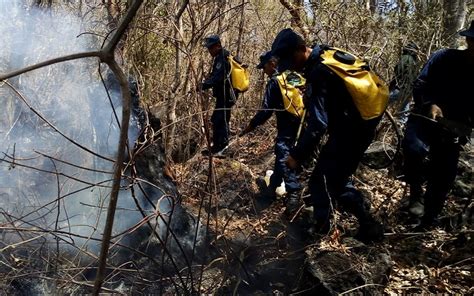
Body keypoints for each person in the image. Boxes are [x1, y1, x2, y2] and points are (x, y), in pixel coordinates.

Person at [270, 28, 384, 242]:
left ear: (302, 49)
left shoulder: (319, 71)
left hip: (350, 131)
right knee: (337, 179)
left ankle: (321, 232)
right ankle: (368, 225)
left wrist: (297, 155)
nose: (292, 66)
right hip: (360, 126)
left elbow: (318, 125)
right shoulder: (326, 53)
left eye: (291, 59)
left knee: (320, 181)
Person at [402, 20, 473, 229]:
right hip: (425, 118)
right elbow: (421, 83)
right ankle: (415, 193)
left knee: (444, 174)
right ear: (469, 40)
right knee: (413, 149)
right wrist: (430, 104)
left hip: (453, 129)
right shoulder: (443, 57)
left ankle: (428, 219)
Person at [240, 51, 303, 216]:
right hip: (303, 123)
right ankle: (272, 189)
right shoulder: (292, 76)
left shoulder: (275, 83)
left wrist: (251, 126)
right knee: (282, 154)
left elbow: (266, 111)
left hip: (288, 124)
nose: (264, 71)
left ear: (272, 63)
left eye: (265, 67)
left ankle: (294, 194)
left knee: (283, 152)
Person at [200, 35, 239, 155]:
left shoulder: (223, 58)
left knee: (219, 119)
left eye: (211, 48)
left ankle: (221, 148)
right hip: (224, 95)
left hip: (226, 95)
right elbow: (215, 76)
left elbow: (217, 78)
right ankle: (218, 147)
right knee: (220, 119)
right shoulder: (221, 57)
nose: (209, 51)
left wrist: (202, 85)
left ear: (218, 46)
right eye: (208, 48)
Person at [389, 42, 419, 125]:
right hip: (408, 90)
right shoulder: (414, 62)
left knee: (383, 101)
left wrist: (394, 84)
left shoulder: (406, 58)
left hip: (400, 87)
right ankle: (401, 125)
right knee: (404, 109)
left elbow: (398, 72)